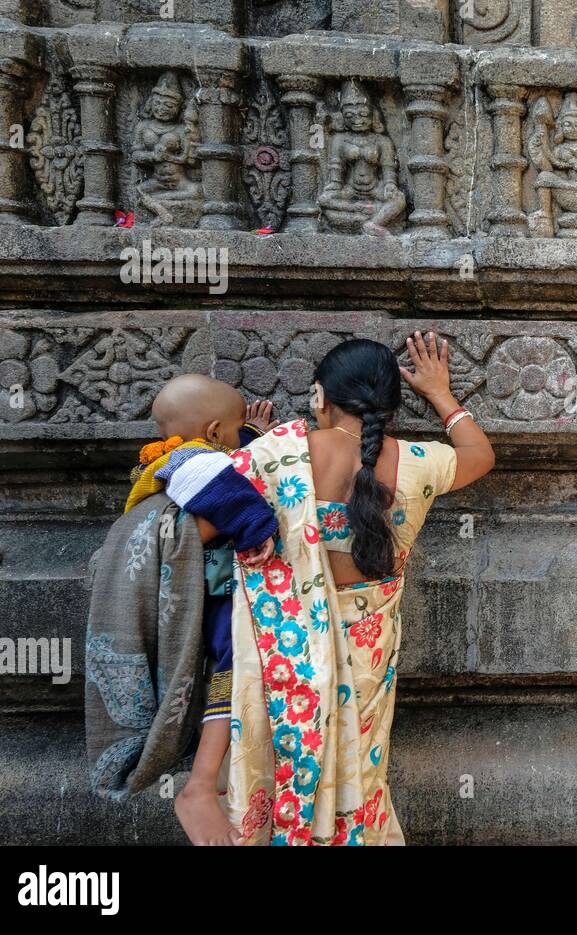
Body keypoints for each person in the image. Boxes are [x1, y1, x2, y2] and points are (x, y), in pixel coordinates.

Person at [225, 333, 494, 845]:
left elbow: (214, 493)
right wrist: (440, 393)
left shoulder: (277, 453)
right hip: (368, 659)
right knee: (359, 777)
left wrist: (254, 440)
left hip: (284, 656)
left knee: (286, 763)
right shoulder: (417, 462)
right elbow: (480, 455)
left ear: (319, 397)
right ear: (391, 404)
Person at [125, 374, 279, 845]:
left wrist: (248, 435)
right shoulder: (192, 463)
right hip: (211, 601)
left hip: (196, 595)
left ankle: (209, 774)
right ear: (213, 433)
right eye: (231, 433)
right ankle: (200, 782)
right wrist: (258, 528)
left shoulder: (174, 458)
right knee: (233, 667)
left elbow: (229, 466)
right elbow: (224, 488)